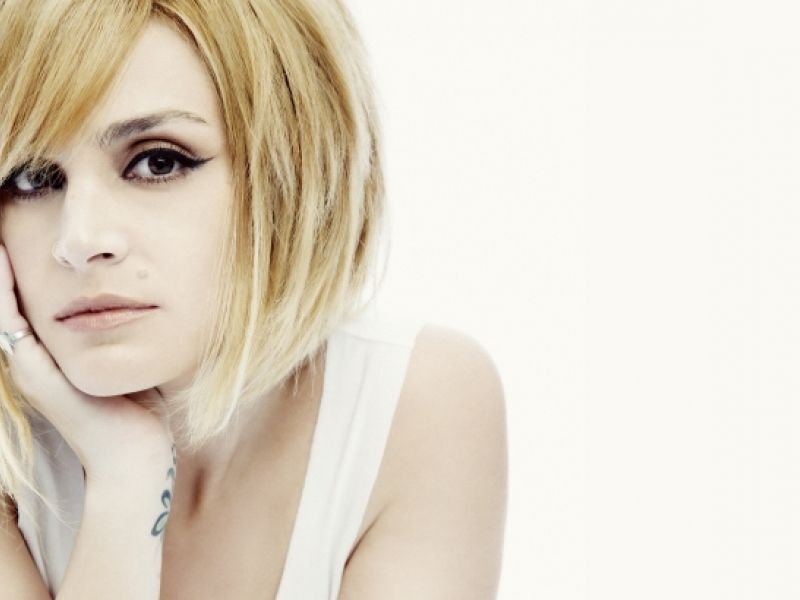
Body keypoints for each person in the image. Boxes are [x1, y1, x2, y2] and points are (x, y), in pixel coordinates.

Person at [0, 1, 507, 598]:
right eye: (31, 177)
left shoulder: (411, 398)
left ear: (289, 171)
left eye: (158, 162)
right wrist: (125, 481)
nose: (80, 241)